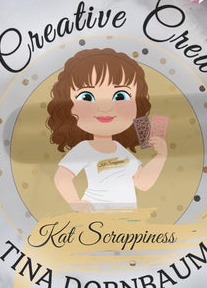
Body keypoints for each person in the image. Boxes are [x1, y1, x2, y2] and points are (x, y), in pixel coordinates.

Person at [46, 47, 167, 212]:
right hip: (96, 217)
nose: (105, 107)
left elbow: (142, 183)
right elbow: (62, 178)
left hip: (129, 219)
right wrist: (76, 202)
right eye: (87, 97)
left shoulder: (121, 150)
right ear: (69, 108)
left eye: (120, 96)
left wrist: (160, 157)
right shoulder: (84, 149)